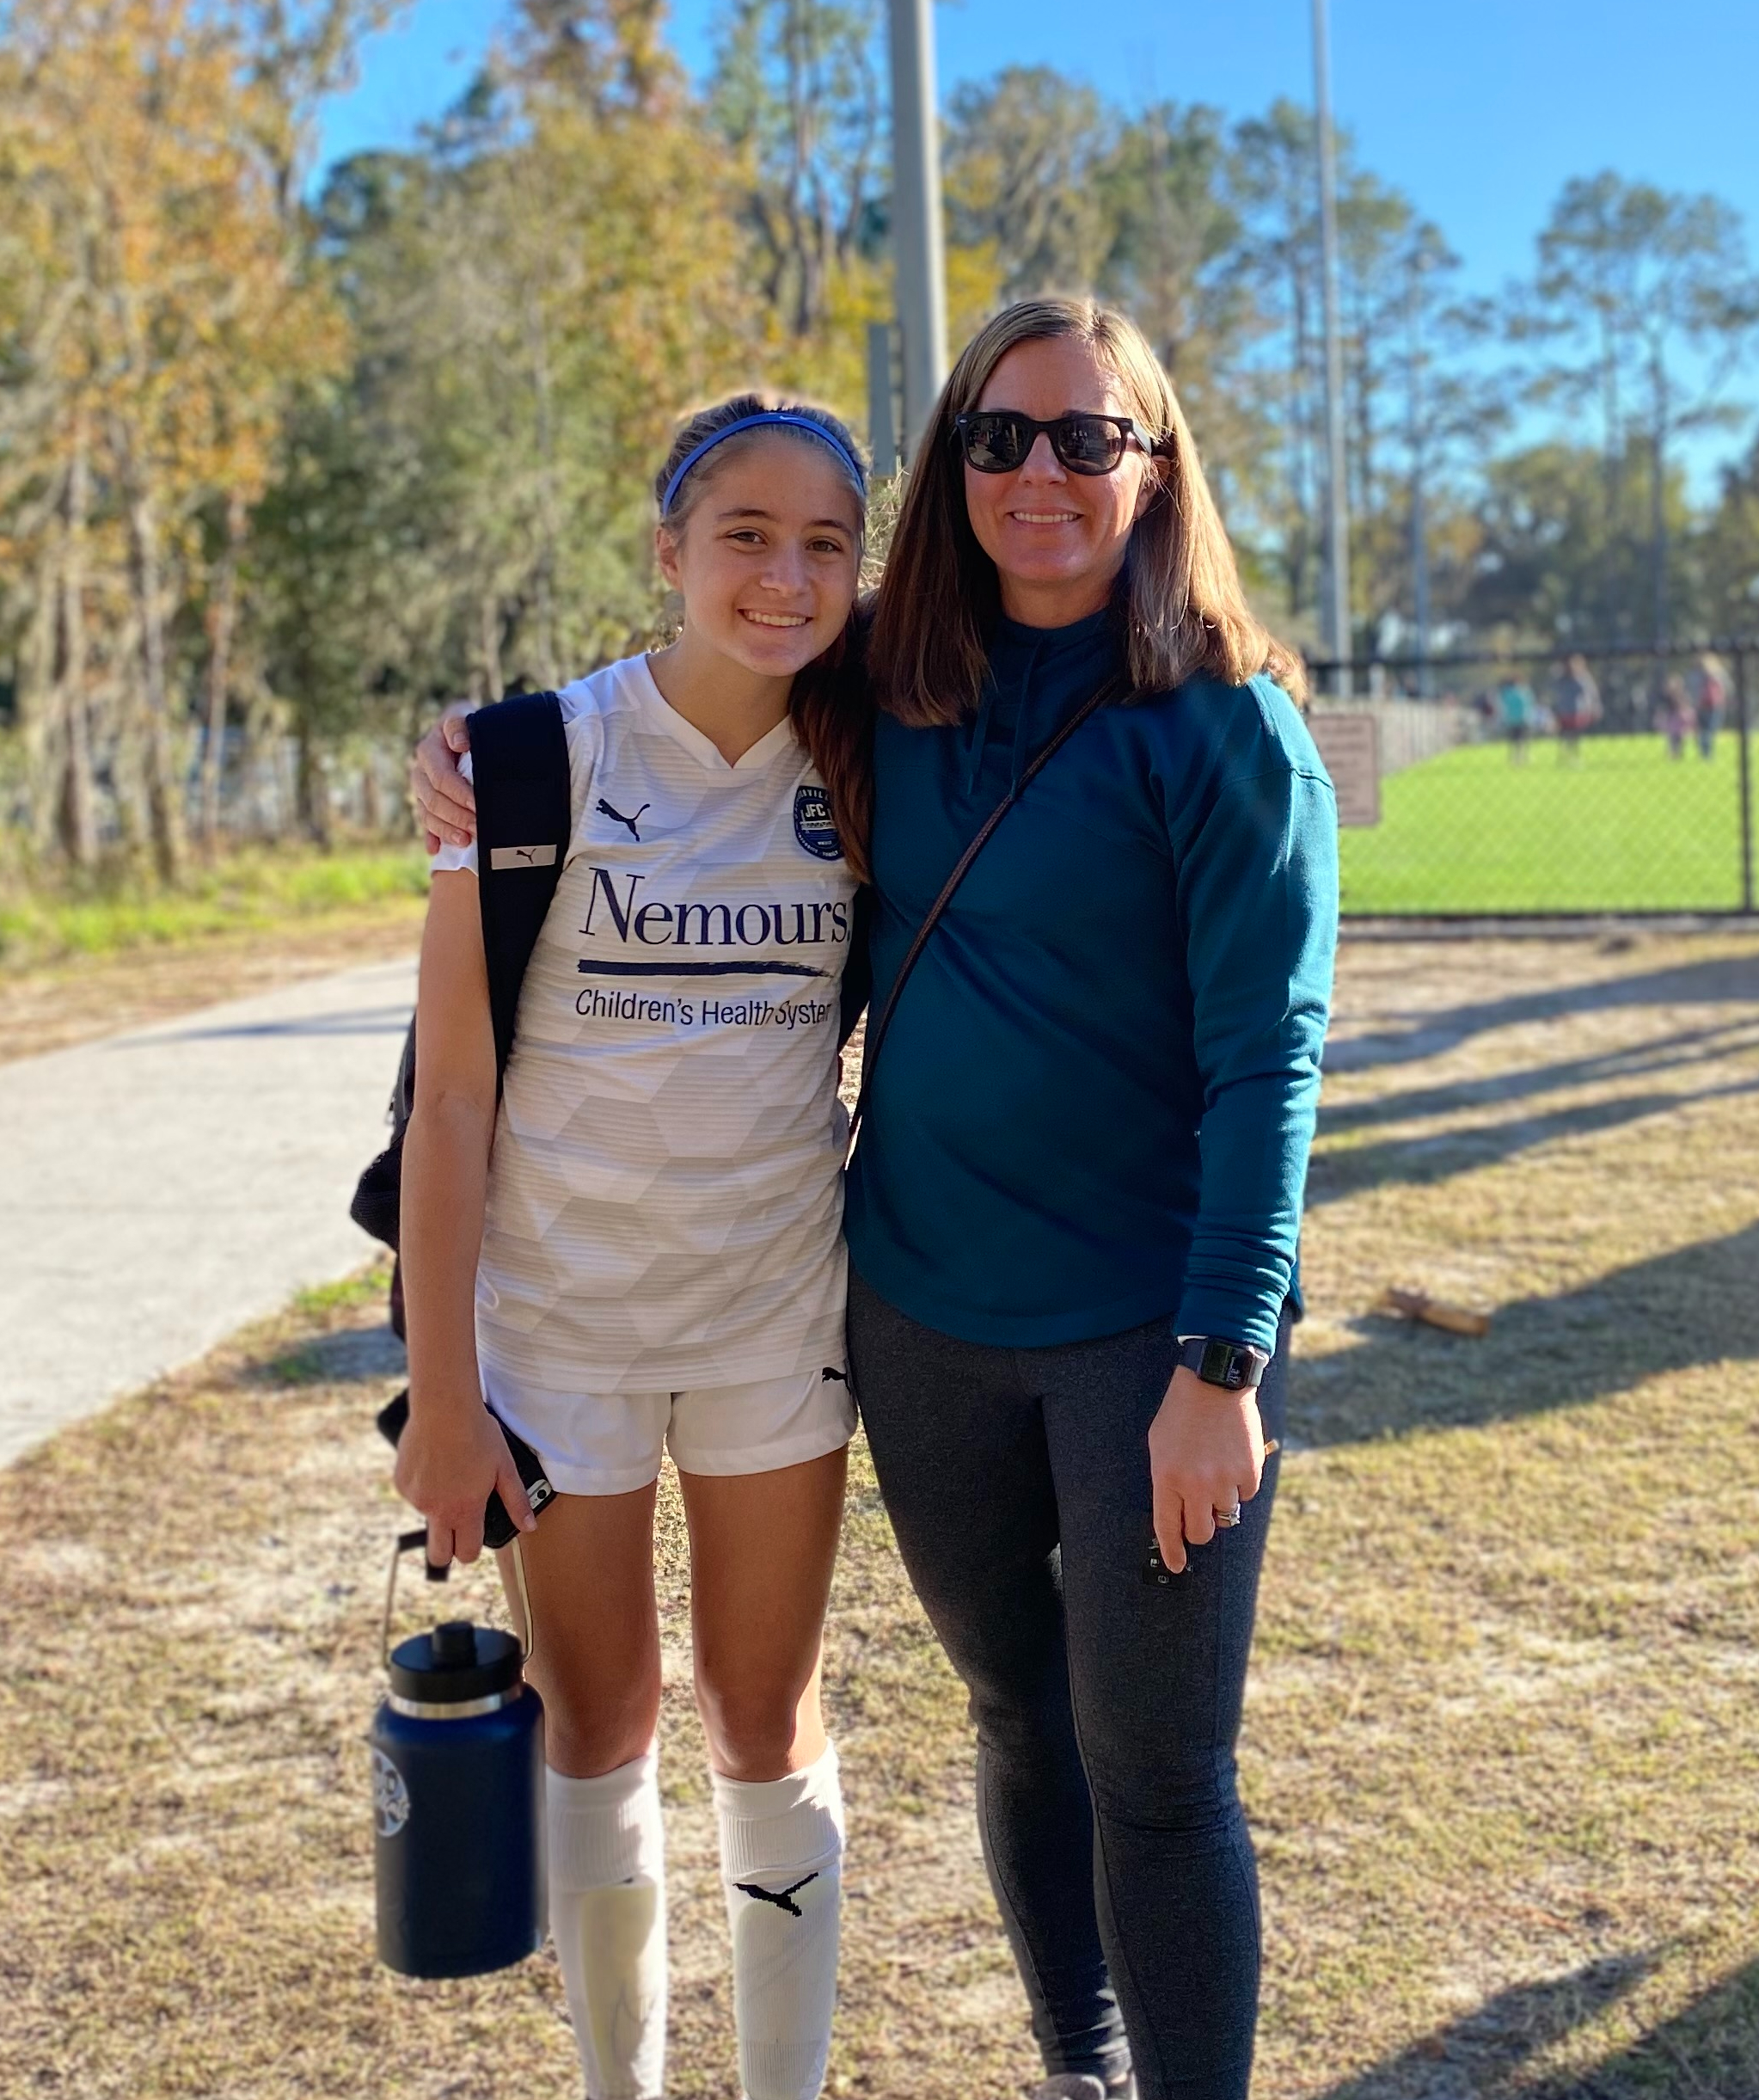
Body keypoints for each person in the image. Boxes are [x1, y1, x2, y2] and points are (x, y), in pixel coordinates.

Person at [415, 298, 1339, 2100]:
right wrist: (469, 758)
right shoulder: (889, 700)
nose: (1044, 471)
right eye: (1002, 438)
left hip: (1100, 1334)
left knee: (1147, 1766)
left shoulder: (1208, 731)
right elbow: (474, 1049)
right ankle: (1063, 2058)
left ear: (1159, 466)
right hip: (884, 1316)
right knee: (996, 1713)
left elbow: (1269, 1061)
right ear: (955, 471)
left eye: (1091, 436)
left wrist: (1225, 1355)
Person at [396, 392, 872, 2100]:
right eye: (744, 532)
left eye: (827, 540)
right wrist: (439, 1397)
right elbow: (450, 1103)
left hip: (772, 1318)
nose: (786, 572)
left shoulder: (878, 748)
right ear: (669, 553)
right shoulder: (529, 760)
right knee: (602, 1728)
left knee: (765, 1717)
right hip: (561, 1332)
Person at [1549, 653, 1601, 762]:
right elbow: (1554, 690)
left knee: (1575, 736)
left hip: (1576, 712)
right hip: (1564, 711)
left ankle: (1574, 756)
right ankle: (1563, 757)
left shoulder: (1582, 678)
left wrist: (1593, 707)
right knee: (1563, 736)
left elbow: (1590, 693)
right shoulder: (1561, 678)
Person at [1689, 653, 1727, 759]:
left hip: (1712, 706)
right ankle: (1706, 754)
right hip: (1706, 706)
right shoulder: (1697, 675)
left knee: (1707, 731)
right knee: (1706, 732)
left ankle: (1706, 754)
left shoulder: (1716, 675)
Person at [1496, 672, 1535, 763]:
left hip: (1514, 719)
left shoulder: (1507, 692)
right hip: (1520, 719)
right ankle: (1521, 757)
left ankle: (1517, 758)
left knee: (1516, 740)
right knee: (1521, 740)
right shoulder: (1523, 691)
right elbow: (1530, 703)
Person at [1658, 672, 1691, 758]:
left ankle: (1678, 754)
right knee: (1672, 738)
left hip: (1680, 718)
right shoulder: (1668, 696)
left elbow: (1685, 705)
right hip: (1672, 718)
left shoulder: (1682, 695)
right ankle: (1673, 754)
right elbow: (1665, 706)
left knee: (1680, 738)